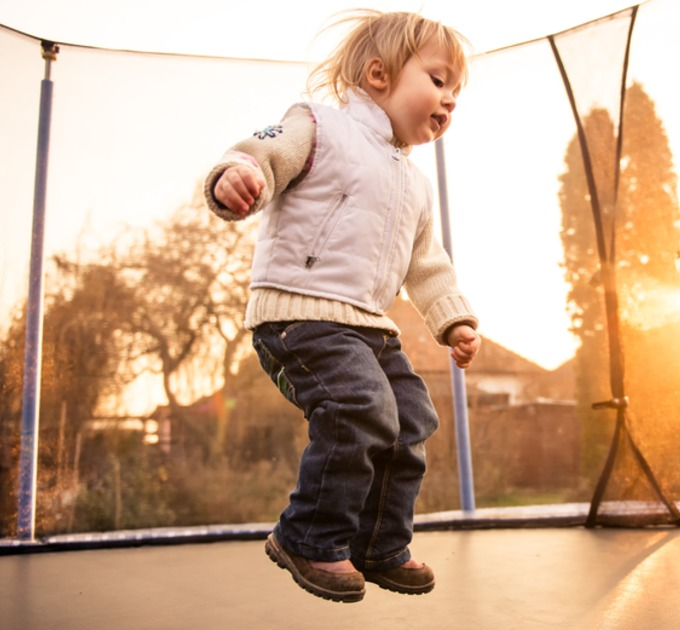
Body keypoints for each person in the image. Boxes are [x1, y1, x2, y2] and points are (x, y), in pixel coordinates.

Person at [203, 10, 479, 603]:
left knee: (410, 420)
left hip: (368, 328)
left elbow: (426, 265)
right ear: (378, 74)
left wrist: (452, 318)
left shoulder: (415, 185)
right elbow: (260, 155)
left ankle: (377, 543)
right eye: (437, 80)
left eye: (456, 93)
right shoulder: (318, 126)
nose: (449, 100)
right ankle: (307, 536)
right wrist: (236, 174)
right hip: (300, 315)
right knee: (361, 406)